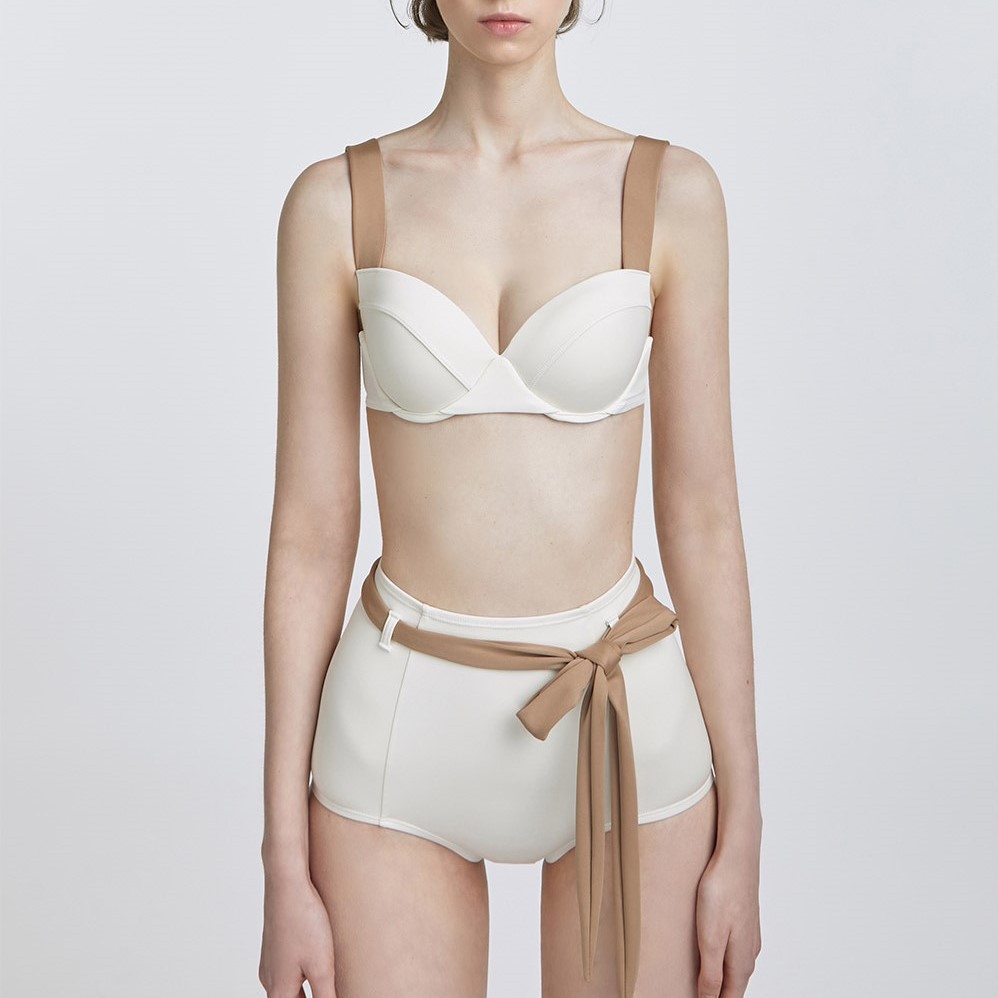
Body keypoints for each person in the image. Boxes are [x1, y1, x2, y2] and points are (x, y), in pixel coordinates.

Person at [259, 2, 763, 997]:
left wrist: (744, 825)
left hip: (626, 721)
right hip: (399, 730)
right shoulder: (333, 203)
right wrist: (281, 856)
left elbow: (703, 518)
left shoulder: (673, 194)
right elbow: (310, 536)